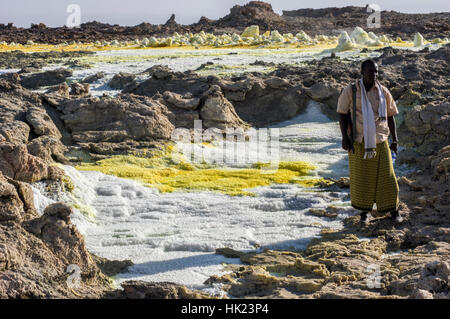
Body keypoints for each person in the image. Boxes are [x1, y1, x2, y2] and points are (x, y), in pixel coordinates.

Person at [337, 59, 403, 224]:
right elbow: (342, 114)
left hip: (381, 142)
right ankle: (364, 214)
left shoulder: (383, 92)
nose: (374, 75)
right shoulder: (351, 91)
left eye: (376, 72)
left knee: (387, 178)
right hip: (359, 142)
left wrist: (395, 139)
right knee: (362, 180)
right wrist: (345, 137)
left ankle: (394, 211)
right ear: (362, 72)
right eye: (370, 71)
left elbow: (390, 116)